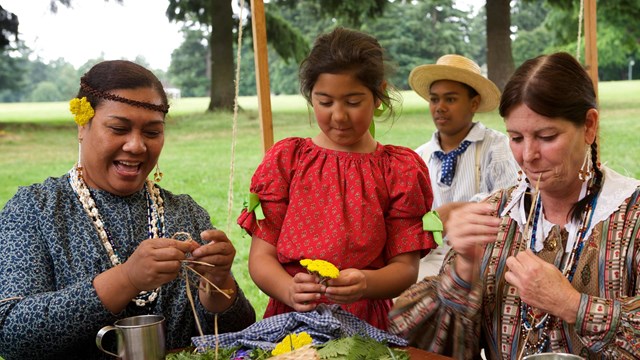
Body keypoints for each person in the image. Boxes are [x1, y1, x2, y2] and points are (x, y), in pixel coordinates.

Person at [389, 52, 640, 359]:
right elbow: (434, 345)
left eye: (546, 136)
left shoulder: (632, 217)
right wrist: (464, 270)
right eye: (516, 138)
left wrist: (573, 305)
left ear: (589, 126)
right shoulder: (493, 216)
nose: (528, 155)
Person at [0, 60, 255, 359]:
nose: (136, 146)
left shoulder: (186, 213)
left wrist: (219, 285)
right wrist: (128, 278)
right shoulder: (37, 209)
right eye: (119, 128)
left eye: (152, 132)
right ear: (83, 125)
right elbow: (11, 333)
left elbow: (237, 333)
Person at [238, 27, 437, 330]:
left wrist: (366, 282)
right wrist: (288, 289)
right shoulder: (287, 161)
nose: (339, 116)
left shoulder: (400, 171)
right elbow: (261, 258)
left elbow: (405, 269)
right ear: (310, 97)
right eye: (325, 102)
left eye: (353, 102)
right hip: (290, 319)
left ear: (378, 94)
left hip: (364, 326)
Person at [409, 54, 520, 278]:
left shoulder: (495, 148)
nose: (439, 107)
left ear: (474, 103)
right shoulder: (421, 156)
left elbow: (511, 204)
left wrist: (455, 211)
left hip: (481, 257)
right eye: (434, 99)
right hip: (430, 257)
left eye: (450, 99)